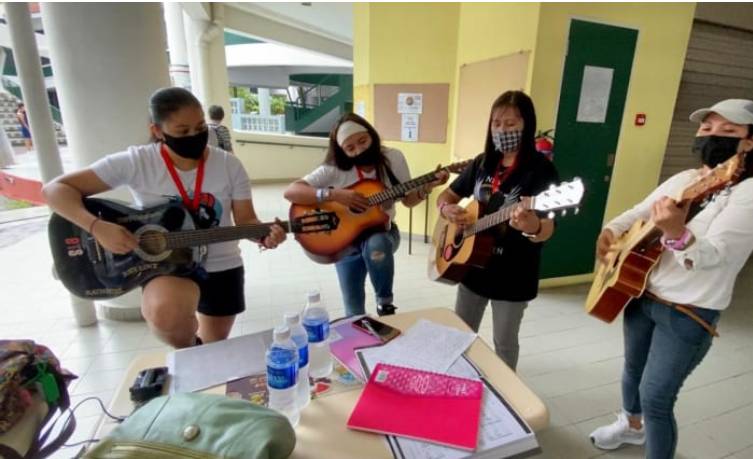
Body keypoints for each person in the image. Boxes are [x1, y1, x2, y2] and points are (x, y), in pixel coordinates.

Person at [42, 87, 286, 348]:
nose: (194, 136)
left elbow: (246, 220)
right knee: (167, 317)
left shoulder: (229, 165)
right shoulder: (137, 161)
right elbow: (54, 190)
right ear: (157, 131)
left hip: (221, 264)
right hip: (166, 265)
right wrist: (96, 226)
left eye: (200, 126)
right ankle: (189, 350)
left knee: (214, 350)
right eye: (182, 131)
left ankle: (197, 358)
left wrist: (264, 234)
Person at [589, 99, 753, 458]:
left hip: (688, 313)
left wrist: (677, 234)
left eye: (729, 131)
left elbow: (716, 257)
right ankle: (631, 427)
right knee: (633, 370)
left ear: (749, 143)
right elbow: (639, 211)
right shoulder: (686, 179)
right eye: (707, 128)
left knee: (657, 398)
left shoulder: (748, 194)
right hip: (642, 293)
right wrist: (611, 231)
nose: (713, 136)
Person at [435, 90, 559, 371]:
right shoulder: (482, 163)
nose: (503, 130)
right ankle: (460, 378)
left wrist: (533, 226)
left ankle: (506, 395)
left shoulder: (541, 170)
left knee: (504, 341)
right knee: (461, 332)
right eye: (497, 123)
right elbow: (446, 197)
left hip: (514, 273)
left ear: (526, 125)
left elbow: (549, 227)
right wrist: (447, 210)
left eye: (511, 123)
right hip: (471, 266)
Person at [284, 113, 448, 317]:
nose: (359, 150)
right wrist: (334, 194)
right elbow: (291, 191)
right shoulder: (334, 169)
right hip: (345, 242)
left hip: (384, 234)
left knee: (376, 243)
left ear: (372, 135)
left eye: (363, 141)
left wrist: (426, 188)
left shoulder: (393, 158)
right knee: (353, 311)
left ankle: (385, 304)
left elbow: (408, 200)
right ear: (342, 151)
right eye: (350, 148)